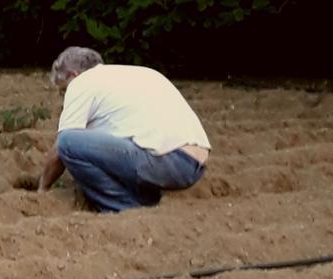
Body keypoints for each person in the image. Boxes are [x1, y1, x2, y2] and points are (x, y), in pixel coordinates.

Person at [38, 46, 210, 212]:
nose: (64, 98)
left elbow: (61, 149)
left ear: (73, 75)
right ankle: (144, 195)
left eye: (64, 91)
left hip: (166, 159)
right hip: (195, 165)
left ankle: (125, 207)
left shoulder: (82, 82)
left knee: (68, 141)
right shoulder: (139, 74)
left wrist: (43, 188)